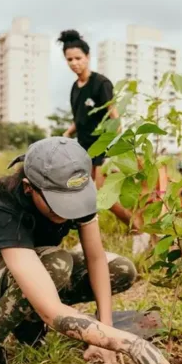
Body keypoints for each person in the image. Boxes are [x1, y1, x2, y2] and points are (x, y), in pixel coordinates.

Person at [0, 137, 176, 364]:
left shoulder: (76, 191)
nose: (66, 213)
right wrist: (126, 342)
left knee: (121, 268)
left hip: (30, 271)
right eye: (58, 206)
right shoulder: (3, 208)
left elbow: (96, 259)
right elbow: (51, 310)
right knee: (57, 262)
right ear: (29, 187)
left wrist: (104, 329)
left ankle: (28, 322)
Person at [57, 30, 142, 243]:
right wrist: (66, 134)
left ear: (87, 57)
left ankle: (140, 231)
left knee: (104, 197)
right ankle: (86, 239)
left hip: (104, 149)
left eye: (78, 58)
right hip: (84, 150)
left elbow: (114, 117)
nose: (74, 63)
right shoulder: (74, 89)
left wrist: (116, 150)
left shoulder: (101, 84)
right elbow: (80, 119)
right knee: (83, 196)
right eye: (69, 59)